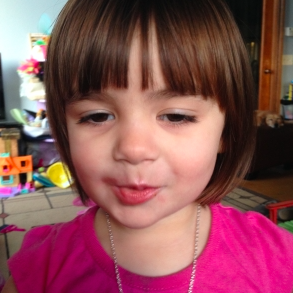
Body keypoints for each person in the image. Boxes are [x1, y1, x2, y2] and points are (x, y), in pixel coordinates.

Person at [3, 0, 293, 292]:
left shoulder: (277, 259)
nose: (134, 149)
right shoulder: (40, 269)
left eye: (176, 116)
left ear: (226, 132)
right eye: (98, 116)